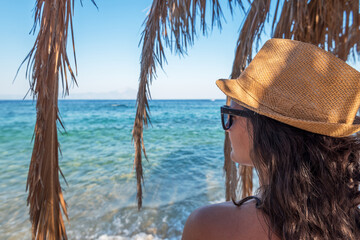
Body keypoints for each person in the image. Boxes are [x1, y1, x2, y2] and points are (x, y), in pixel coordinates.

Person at [182, 38, 360, 239]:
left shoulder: (208, 225)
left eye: (230, 115)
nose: (227, 129)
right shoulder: (349, 222)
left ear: (264, 130)